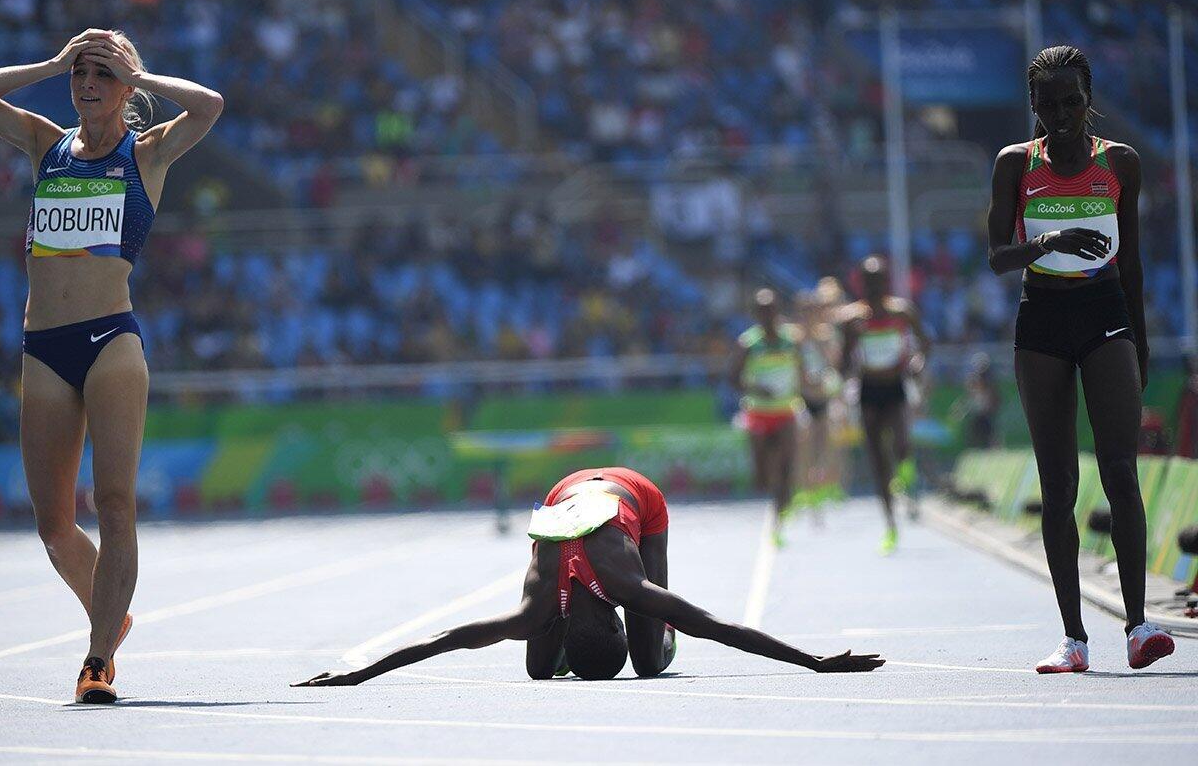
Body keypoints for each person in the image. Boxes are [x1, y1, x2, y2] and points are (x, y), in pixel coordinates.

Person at [0, 29, 224, 702]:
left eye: (101, 74)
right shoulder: (47, 145)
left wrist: (144, 72)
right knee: (52, 524)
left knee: (114, 502)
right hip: (44, 346)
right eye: (79, 73)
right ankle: (113, 611)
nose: (86, 84)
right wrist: (48, 62)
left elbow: (211, 104)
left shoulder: (148, 154)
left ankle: (98, 656)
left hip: (111, 341)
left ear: (124, 87)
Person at [294, 467, 883, 686]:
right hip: (573, 500)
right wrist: (813, 662)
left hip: (635, 501)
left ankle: (657, 631)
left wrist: (815, 663)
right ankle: (652, 628)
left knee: (651, 660)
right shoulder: (552, 607)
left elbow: (709, 625)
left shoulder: (625, 586)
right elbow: (720, 626)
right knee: (536, 670)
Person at [986, 44, 1173, 673]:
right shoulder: (1016, 164)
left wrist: (1140, 344)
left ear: (1088, 101)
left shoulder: (1121, 163)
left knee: (1121, 472)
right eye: (1048, 103)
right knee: (1058, 483)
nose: (1060, 113)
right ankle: (1074, 639)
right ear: (1033, 106)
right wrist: (1053, 240)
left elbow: (1135, 262)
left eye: (1072, 101)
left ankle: (1140, 627)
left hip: (1106, 315)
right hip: (1041, 321)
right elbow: (997, 256)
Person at [839, 257, 929, 554]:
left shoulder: (902, 312)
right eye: (869, 281)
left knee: (902, 442)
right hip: (868, 391)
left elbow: (924, 344)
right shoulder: (853, 320)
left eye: (879, 280)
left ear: (886, 282)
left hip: (895, 386)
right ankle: (890, 524)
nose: (875, 287)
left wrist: (916, 363)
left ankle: (907, 475)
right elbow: (843, 364)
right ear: (861, 284)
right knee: (878, 461)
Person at [728, 289, 804, 546]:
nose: (767, 315)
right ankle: (776, 502)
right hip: (758, 413)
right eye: (762, 311)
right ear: (755, 314)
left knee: (786, 466)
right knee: (761, 474)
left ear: (777, 310)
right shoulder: (748, 343)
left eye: (771, 309)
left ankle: (780, 517)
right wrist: (756, 388)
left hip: (785, 410)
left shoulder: (792, 339)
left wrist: (808, 387)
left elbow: (802, 371)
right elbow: (733, 378)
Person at [796, 288, 844, 513]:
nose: (808, 317)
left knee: (826, 443)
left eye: (812, 311)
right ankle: (805, 489)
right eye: (804, 312)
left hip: (823, 396)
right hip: (803, 397)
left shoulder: (825, 336)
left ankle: (826, 486)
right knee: (805, 441)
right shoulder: (794, 338)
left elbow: (833, 364)